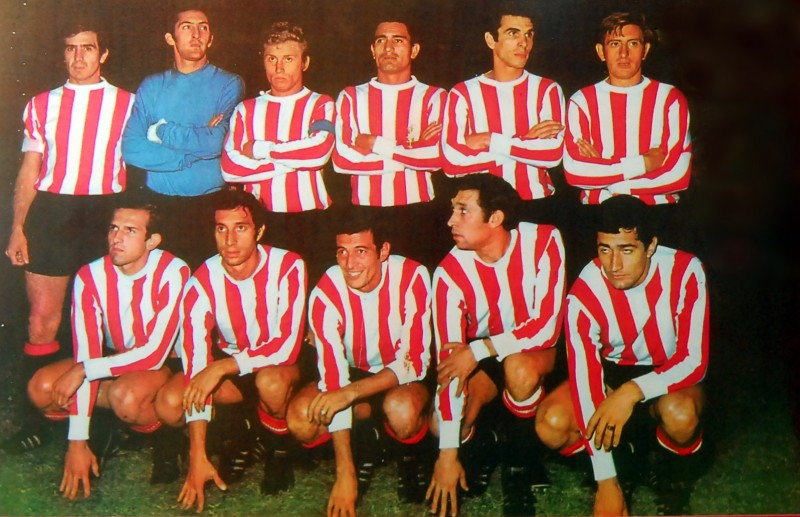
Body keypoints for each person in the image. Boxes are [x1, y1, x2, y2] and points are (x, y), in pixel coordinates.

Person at [2, 21, 135, 453]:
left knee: (104, 321)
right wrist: (18, 227)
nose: (79, 57)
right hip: (53, 213)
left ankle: (102, 420)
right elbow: (30, 169)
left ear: (103, 54)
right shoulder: (41, 104)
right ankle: (36, 418)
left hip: (104, 212)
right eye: (71, 49)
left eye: (88, 48)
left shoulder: (128, 103)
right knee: (43, 320)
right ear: (62, 54)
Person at [535, 195, 709, 516]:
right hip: (611, 373)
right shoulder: (584, 294)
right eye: (605, 250)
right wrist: (606, 482)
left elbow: (693, 361)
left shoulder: (686, 271)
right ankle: (620, 465)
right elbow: (586, 384)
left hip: (667, 373)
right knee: (552, 424)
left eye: (626, 250)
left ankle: (672, 477)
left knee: (681, 416)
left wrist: (631, 392)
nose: (613, 265)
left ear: (650, 246)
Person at [154, 188, 307, 512]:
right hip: (235, 363)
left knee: (271, 383)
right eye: (221, 228)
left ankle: (278, 451)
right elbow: (196, 366)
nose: (230, 240)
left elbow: (287, 347)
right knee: (170, 403)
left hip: (279, 362)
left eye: (241, 228)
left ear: (259, 231)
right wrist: (198, 454)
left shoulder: (288, 265)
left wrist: (223, 367)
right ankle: (238, 430)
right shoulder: (201, 281)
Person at [25, 199, 189, 499]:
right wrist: (77, 442)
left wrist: (85, 370)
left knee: (125, 397)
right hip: (114, 357)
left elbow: (154, 354)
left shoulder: (173, 270)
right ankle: (103, 427)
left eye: (130, 230)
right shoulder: (90, 275)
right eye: (114, 228)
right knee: (42, 388)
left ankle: (168, 438)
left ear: (152, 241)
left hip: (164, 361)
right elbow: (87, 353)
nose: (116, 238)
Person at [427, 174, 566, 517]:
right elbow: (450, 363)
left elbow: (547, 327)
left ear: (496, 218)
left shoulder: (543, 240)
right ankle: (485, 446)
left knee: (519, 369)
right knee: (442, 425)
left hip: (537, 349)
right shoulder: (448, 273)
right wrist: (447, 454)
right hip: (485, 353)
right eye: (452, 209)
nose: (451, 220)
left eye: (463, 211)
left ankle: (520, 462)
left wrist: (478, 350)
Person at [286, 206, 433, 515]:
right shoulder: (326, 291)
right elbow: (334, 380)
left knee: (402, 411)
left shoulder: (412, 276)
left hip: (400, 375)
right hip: (353, 373)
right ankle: (366, 444)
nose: (349, 264)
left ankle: (409, 453)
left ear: (383, 251)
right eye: (342, 251)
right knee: (301, 419)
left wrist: (350, 393)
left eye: (361, 251)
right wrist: (345, 473)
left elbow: (414, 363)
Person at [562, 12, 692, 258]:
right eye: (614, 44)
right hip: (598, 214)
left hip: (658, 214)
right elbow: (575, 172)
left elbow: (679, 175)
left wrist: (606, 174)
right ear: (601, 52)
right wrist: (644, 163)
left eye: (632, 43)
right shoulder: (582, 100)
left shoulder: (669, 98)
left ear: (645, 50)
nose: (623, 53)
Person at [122, 7, 244, 268]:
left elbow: (218, 142)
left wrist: (160, 132)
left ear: (211, 38)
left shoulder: (228, 83)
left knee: (209, 286)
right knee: (164, 286)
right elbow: (131, 148)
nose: (196, 34)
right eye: (186, 26)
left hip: (211, 206)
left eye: (203, 27)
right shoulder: (152, 85)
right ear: (170, 38)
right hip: (159, 206)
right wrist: (192, 152)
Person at [221, 21, 335, 283]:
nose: (279, 67)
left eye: (288, 59)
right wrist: (296, 159)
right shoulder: (246, 109)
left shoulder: (321, 103)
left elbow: (319, 152)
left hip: (311, 219)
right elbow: (230, 168)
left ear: (304, 62)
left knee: (311, 290)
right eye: (272, 58)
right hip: (261, 220)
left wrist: (259, 149)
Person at [332, 16, 447, 266]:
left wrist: (375, 143)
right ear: (372, 50)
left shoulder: (434, 96)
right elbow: (342, 160)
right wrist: (412, 151)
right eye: (381, 41)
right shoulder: (351, 96)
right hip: (364, 212)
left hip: (418, 211)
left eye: (398, 40)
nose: (388, 48)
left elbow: (436, 158)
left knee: (417, 281)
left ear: (414, 50)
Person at [441, 1, 565, 225]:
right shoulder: (463, 92)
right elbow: (452, 164)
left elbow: (552, 154)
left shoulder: (547, 89)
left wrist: (489, 140)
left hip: (536, 204)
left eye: (528, 34)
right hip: (481, 211)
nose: (523, 43)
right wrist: (525, 140)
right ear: (490, 40)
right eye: (512, 33)